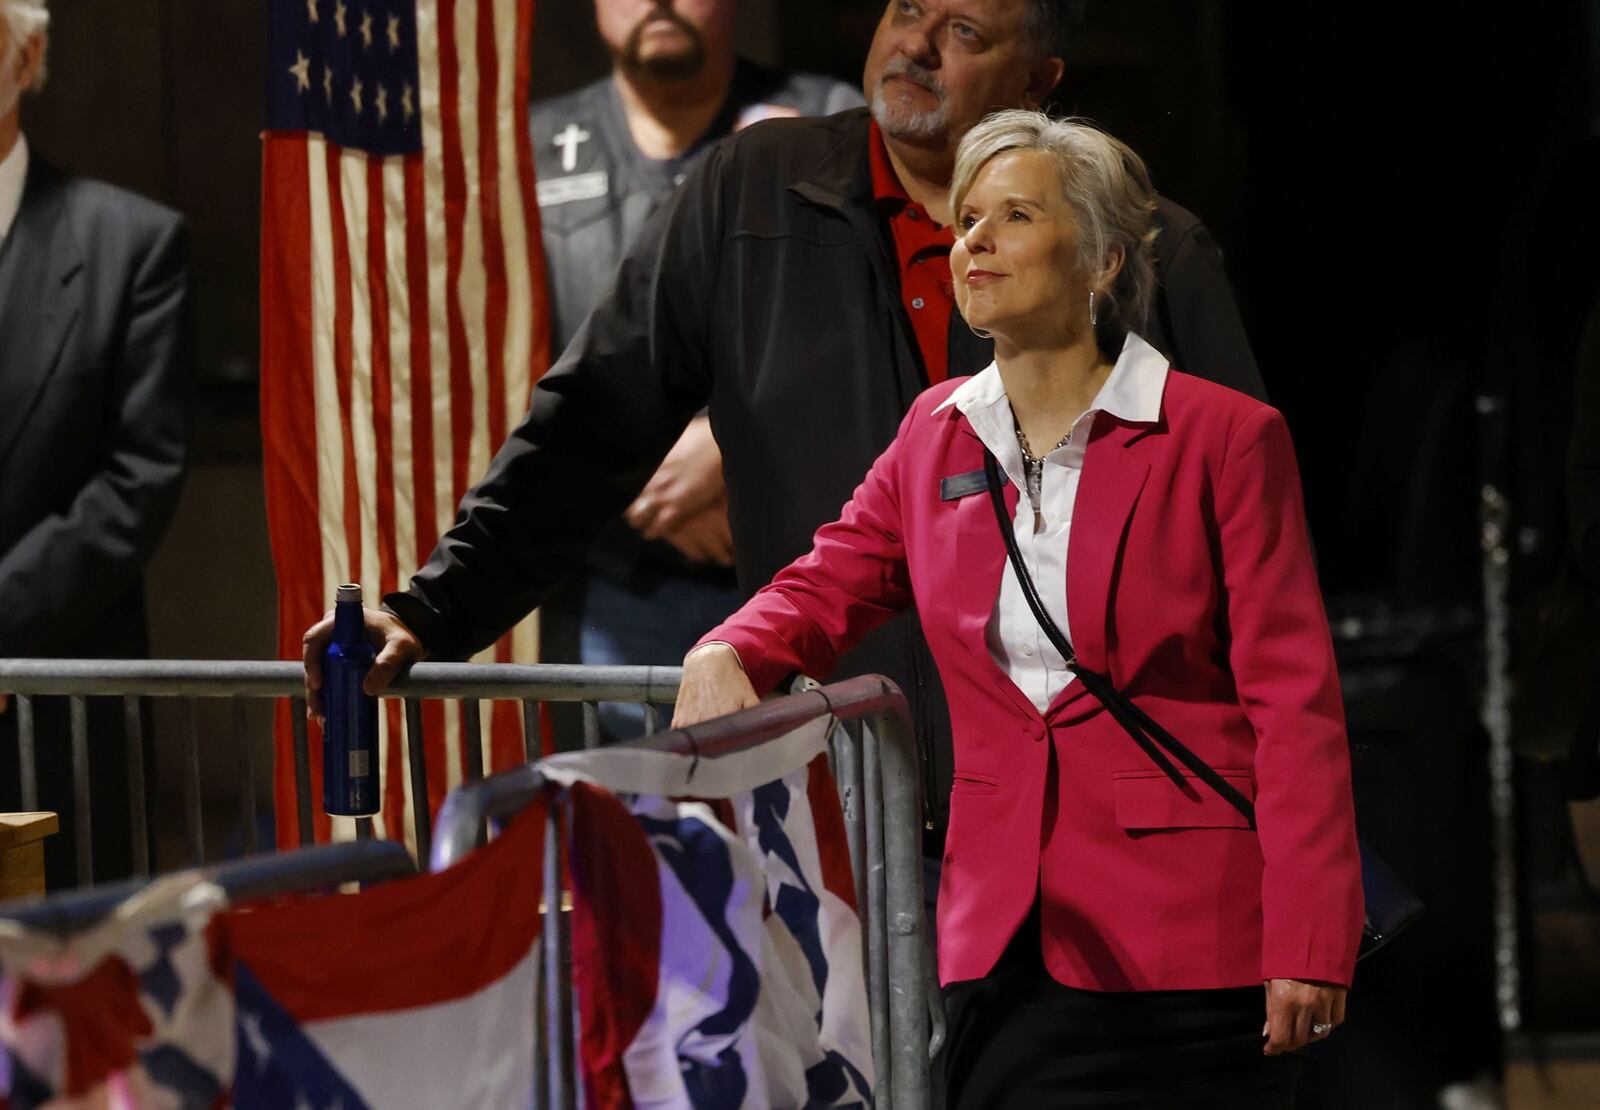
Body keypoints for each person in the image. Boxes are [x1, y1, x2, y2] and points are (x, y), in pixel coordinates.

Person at [304, 0, 1264, 849]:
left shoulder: (1141, 249)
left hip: (1088, 816)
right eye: (905, 11)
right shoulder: (749, 193)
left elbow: (1248, 560)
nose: (917, 46)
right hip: (833, 800)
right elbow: (591, 426)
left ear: (1039, 79)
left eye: (964, 31)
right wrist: (434, 610)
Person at [672, 111, 1362, 1108]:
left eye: (1015, 216)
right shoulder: (935, 433)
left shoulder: (1223, 438)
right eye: (965, 221)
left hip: (1195, 941)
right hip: (1003, 934)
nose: (973, 243)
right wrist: (732, 645)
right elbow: (830, 578)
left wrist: (1310, 939)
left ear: (1099, 258)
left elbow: (1294, 706)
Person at [531, 0, 861, 740]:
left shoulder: (826, 122)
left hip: (796, 579)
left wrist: (723, 447)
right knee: (626, 844)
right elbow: (499, 355)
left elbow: (865, 325)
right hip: (608, 586)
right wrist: (625, 466)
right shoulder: (532, 148)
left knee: (801, 847)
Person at [0, 0, 191, 887]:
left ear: (23, 56)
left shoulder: (132, 243)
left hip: (57, 708)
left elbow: (135, 483)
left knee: (72, 1005)